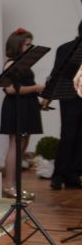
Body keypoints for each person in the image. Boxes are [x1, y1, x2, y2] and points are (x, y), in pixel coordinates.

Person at [0, 27, 44, 200]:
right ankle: (9, 186)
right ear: (17, 45)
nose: (30, 47)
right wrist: (36, 88)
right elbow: (10, 89)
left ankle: (16, 186)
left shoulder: (25, 64)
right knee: (15, 146)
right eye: (27, 44)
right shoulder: (11, 64)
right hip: (16, 106)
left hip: (27, 105)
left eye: (31, 44)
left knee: (22, 148)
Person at [46, 20, 82, 190]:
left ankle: (74, 175)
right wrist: (48, 96)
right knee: (68, 135)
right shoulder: (66, 48)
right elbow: (57, 73)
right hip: (70, 96)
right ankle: (59, 175)